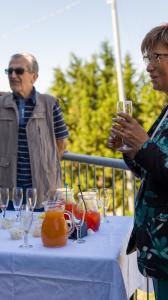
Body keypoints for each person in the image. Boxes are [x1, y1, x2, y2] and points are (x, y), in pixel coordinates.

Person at [108, 24, 168, 299]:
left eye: (156, 57)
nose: (149, 67)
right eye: (148, 58)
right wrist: (132, 151)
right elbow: (153, 171)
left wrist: (144, 144)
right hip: (161, 253)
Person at [0, 53, 69, 211]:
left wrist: (45, 165)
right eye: (9, 71)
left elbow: (61, 141)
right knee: (8, 234)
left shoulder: (49, 104)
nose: (13, 75)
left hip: (42, 191)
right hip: (7, 192)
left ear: (34, 76)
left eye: (19, 71)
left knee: (41, 233)